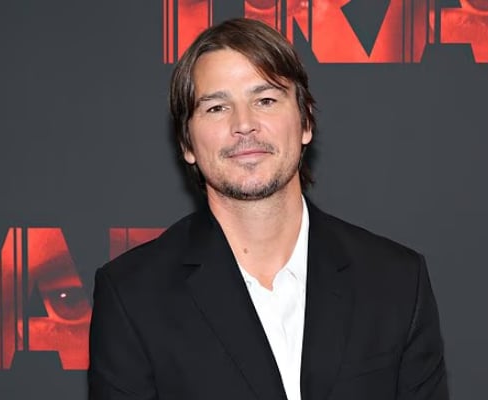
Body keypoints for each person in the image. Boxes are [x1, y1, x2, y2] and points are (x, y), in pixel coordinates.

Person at [88, 18, 448, 400]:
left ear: (306, 121)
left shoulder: (395, 281)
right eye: (217, 108)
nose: (244, 124)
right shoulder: (133, 297)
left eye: (265, 100)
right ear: (187, 143)